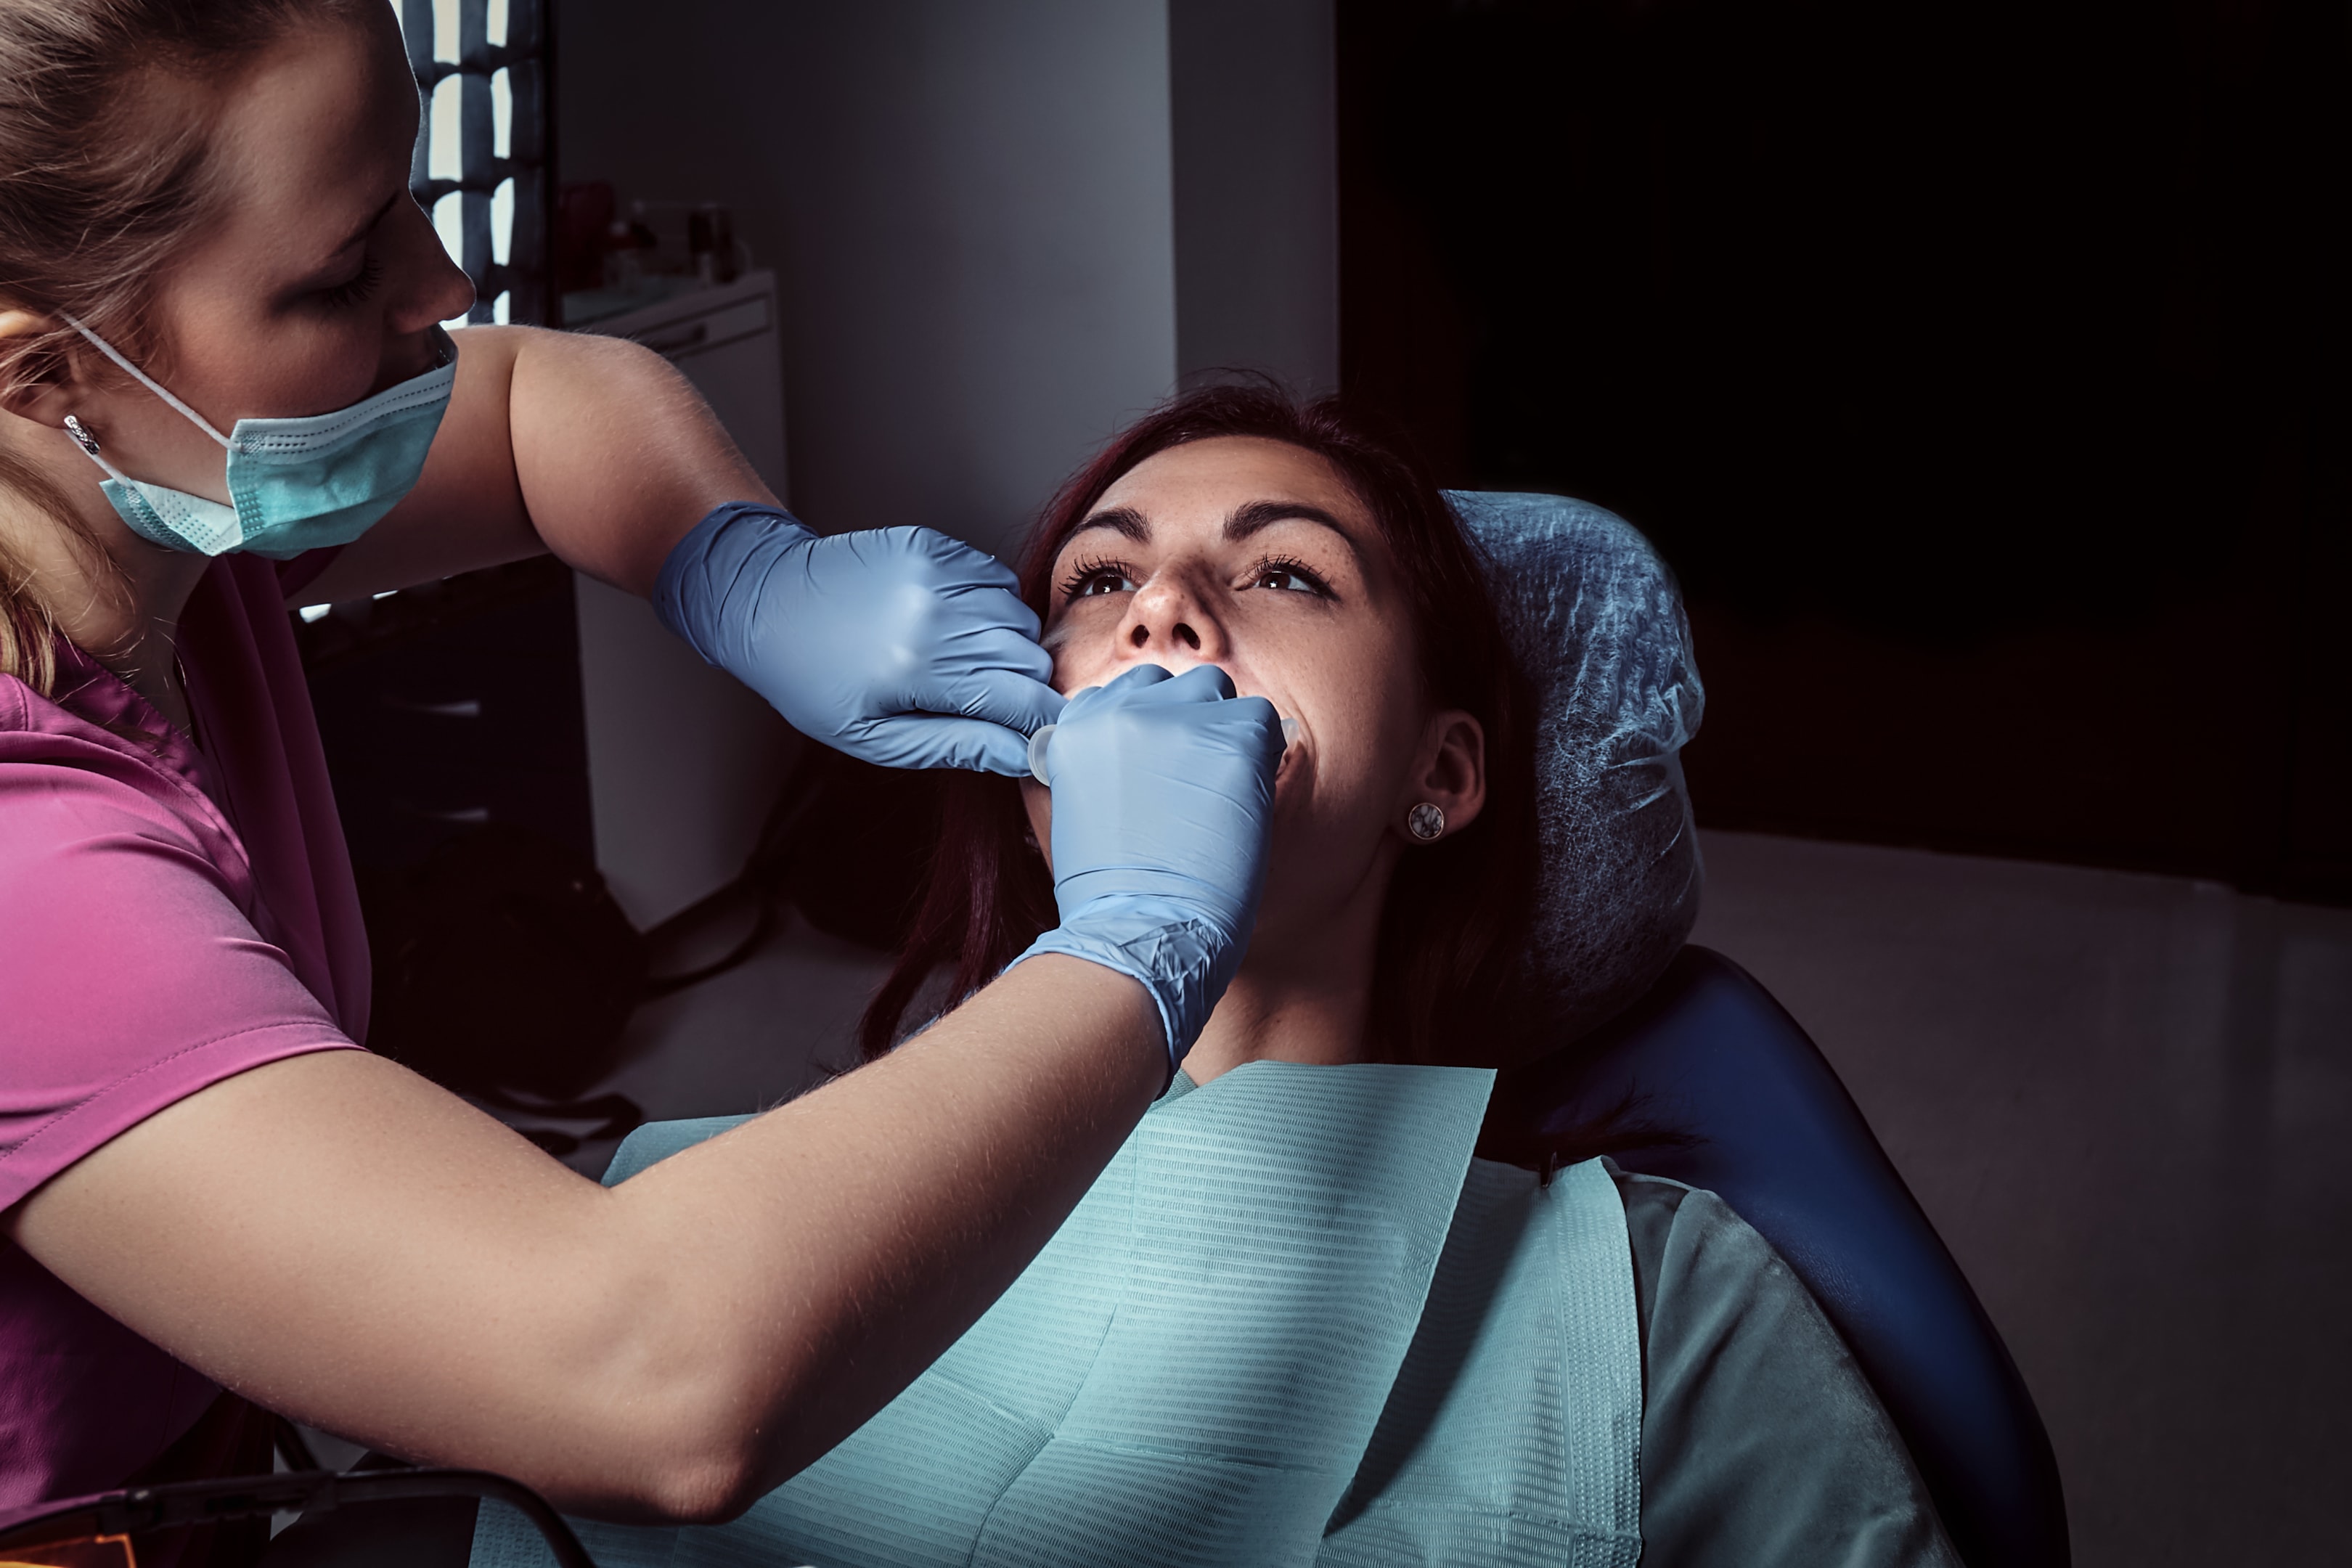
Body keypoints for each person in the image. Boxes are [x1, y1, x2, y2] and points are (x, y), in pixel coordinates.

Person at [0, 0, 1286, 1547]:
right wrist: (1135, 942)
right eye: (342, 274)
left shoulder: (144, 499)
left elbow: (545, 402)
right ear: (39, 375)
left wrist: (740, 565)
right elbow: (654, 1376)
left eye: (403, 188)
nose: (442, 283)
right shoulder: (28, 864)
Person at [501, 386, 1963, 1568]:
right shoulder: (712, 1226)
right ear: (1020, 747)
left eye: (1284, 573)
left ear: (1441, 775)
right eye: (1101, 576)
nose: (1164, 615)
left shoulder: (1664, 1309)